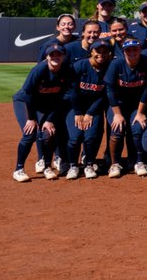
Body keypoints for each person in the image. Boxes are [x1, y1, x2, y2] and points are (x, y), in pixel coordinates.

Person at [11, 42, 73, 182]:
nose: (55, 57)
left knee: (48, 134)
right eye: (52, 54)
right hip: (25, 102)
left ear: (63, 56)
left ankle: (47, 167)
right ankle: (19, 169)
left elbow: (60, 98)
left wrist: (49, 120)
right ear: (47, 56)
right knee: (30, 133)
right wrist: (31, 118)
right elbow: (28, 94)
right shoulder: (40, 69)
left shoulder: (66, 70)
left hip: (47, 104)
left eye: (59, 54)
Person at [103, 37, 147, 177]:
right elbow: (110, 90)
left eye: (135, 49)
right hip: (117, 105)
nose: (132, 52)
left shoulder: (146, 62)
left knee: (138, 128)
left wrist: (140, 113)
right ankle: (115, 164)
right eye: (128, 50)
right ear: (124, 51)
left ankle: (139, 161)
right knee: (117, 129)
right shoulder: (116, 64)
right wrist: (117, 114)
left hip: (137, 106)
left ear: (140, 49)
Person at [65, 40, 113, 180]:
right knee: (75, 138)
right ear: (91, 51)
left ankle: (89, 164)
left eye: (105, 51)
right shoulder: (80, 65)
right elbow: (73, 91)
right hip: (76, 107)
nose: (101, 54)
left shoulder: (109, 68)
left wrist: (90, 113)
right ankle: (73, 165)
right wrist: (79, 113)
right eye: (98, 51)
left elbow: (104, 95)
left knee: (90, 137)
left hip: (94, 109)